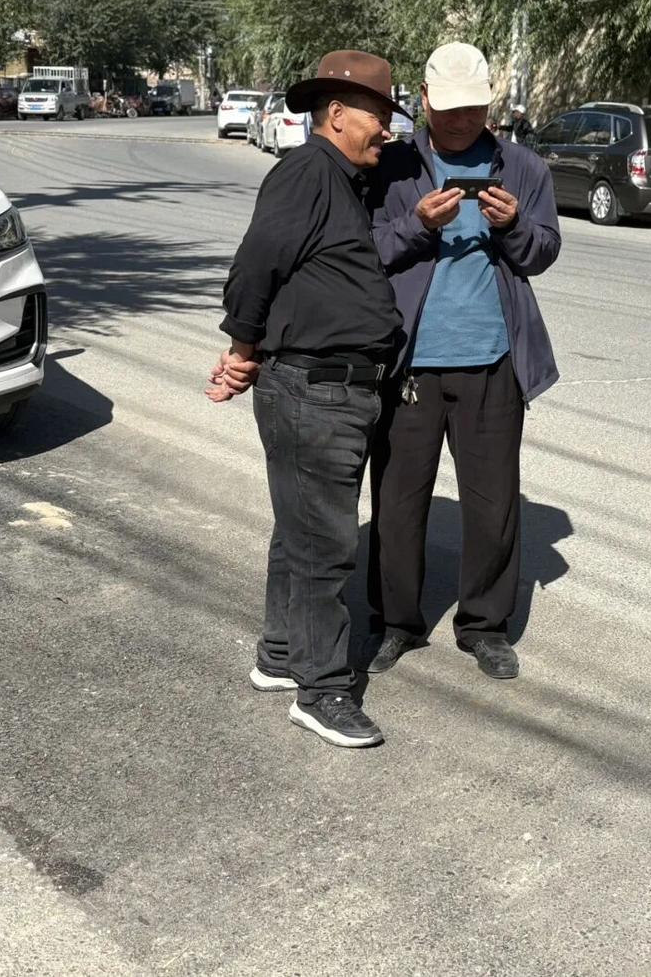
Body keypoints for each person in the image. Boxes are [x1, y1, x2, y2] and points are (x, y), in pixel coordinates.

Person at [206, 49, 408, 749]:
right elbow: (255, 263)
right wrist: (242, 348)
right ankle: (322, 690)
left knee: (300, 528)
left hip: (329, 387)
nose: (387, 130)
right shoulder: (307, 172)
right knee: (324, 540)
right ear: (338, 114)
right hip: (315, 389)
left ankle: (280, 654)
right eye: (379, 116)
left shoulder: (341, 178)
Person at [364, 42, 560, 681]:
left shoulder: (522, 167)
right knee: (397, 503)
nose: (460, 121)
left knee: (493, 505)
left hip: (492, 361)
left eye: (472, 109)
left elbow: (543, 251)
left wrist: (514, 226)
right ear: (423, 100)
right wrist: (418, 224)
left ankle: (484, 626)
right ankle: (396, 622)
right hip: (409, 363)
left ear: (488, 102)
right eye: (448, 109)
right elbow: (364, 250)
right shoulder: (392, 164)